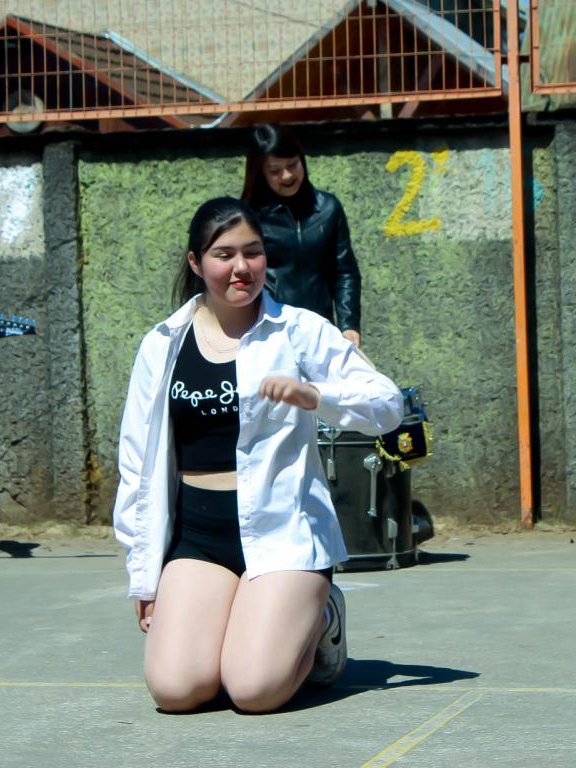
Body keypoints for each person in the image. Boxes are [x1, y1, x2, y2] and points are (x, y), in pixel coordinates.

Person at [113, 197, 401, 713]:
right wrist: (145, 574)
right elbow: (136, 463)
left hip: (283, 532)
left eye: (253, 252)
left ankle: (321, 618)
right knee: (177, 689)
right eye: (224, 255)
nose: (241, 268)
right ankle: (255, 619)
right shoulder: (162, 343)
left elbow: (387, 406)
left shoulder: (298, 330)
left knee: (253, 690)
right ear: (196, 262)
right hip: (197, 538)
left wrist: (317, 396)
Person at [241, 124, 363, 348]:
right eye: (275, 171)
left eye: (292, 165)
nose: (287, 176)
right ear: (260, 174)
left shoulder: (328, 208)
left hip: (320, 330)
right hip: (270, 333)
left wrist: (349, 325)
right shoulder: (249, 218)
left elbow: (344, 272)